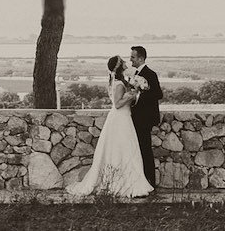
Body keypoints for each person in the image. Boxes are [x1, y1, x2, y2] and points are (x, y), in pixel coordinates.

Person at [64, 56, 153, 198]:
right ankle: (122, 182)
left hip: (124, 117)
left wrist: (135, 91)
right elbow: (117, 104)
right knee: (124, 149)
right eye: (123, 61)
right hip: (120, 119)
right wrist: (131, 95)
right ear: (118, 66)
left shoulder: (120, 81)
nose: (125, 62)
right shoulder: (118, 84)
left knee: (126, 149)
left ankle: (129, 179)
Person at [130, 45, 163, 185]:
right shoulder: (136, 74)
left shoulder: (150, 74)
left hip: (145, 118)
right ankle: (142, 180)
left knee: (145, 150)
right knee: (139, 150)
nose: (130, 59)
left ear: (141, 58)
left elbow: (158, 94)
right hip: (138, 118)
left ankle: (150, 181)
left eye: (133, 57)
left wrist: (139, 96)